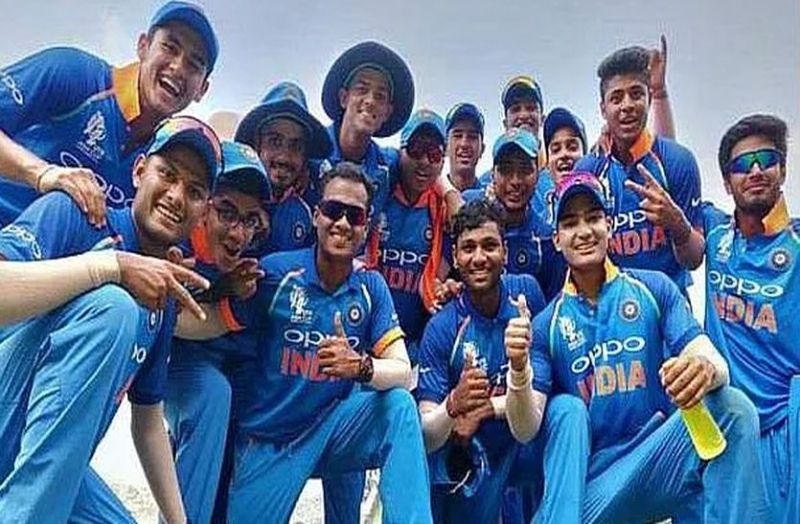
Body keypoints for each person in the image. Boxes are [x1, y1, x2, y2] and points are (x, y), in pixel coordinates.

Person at [178, 162, 433, 523]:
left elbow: (402, 371)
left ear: (366, 227)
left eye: (355, 216)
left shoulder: (371, 286)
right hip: (270, 440)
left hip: (333, 430)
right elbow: (212, 321)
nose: (342, 223)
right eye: (333, 210)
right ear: (316, 216)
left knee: (399, 406)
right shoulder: (275, 274)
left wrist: (360, 366)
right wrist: (163, 309)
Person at [0, 115, 221, 523]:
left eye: (194, 191)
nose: (176, 196)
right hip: (7, 413)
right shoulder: (77, 212)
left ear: (203, 213)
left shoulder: (163, 292)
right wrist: (110, 268)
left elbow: (148, 421)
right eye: (167, 174)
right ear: (139, 171)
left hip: (53, 465)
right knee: (114, 308)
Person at [532, 171, 770, 523]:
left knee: (732, 409)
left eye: (593, 218)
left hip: (656, 460)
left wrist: (705, 370)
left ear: (609, 225)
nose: (583, 231)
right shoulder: (545, 324)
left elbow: (707, 355)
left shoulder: (653, 287)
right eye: (569, 223)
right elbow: (526, 426)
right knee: (564, 408)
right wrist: (518, 371)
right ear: (556, 239)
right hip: (593, 489)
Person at [417, 198, 588, 523]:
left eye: (489, 246)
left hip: (524, 444)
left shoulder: (527, 294)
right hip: (476, 454)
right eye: (468, 248)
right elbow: (425, 433)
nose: (479, 257)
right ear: (455, 256)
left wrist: (488, 407)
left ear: (505, 253)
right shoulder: (442, 328)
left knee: (568, 410)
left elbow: (544, 390)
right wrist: (452, 406)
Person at [0, 0, 218, 226]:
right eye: (170, 47)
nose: (178, 67)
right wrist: (42, 174)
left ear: (202, 90)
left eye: (194, 64)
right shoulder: (74, 72)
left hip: (48, 249)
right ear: (143, 47)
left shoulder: (171, 154)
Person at [165, 140, 270, 524]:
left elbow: (216, 318)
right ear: (202, 204)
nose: (239, 233)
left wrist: (225, 290)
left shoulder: (250, 270)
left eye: (250, 220)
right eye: (226, 212)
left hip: (214, 365)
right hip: (163, 358)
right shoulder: (171, 233)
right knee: (211, 394)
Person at [702, 114, 799, 523]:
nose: (756, 170)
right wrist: (661, 95)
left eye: (767, 159)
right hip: (726, 425)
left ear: (783, 170)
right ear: (727, 182)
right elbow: (671, 191)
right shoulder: (714, 235)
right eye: (743, 164)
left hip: (785, 430)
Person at [575, 45, 703, 294]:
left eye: (636, 94)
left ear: (649, 98)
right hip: (612, 307)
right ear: (603, 108)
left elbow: (695, 259)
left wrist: (677, 224)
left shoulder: (678, 161)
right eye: (616, 98)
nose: (627, 105)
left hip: (669, 308)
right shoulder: (588, 170)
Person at [367, 109, 451, 366]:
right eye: (416, 150)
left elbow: (440, 281)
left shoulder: (443, 211)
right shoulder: (377, 193)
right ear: (400, 151)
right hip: (363, 334)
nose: (424, 161)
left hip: (413, 344)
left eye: (434, 154)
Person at [464, 130, 565, 300]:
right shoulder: (466, 213)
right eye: (506, 170)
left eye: (525, 170)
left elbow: (556, 305)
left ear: (538, 175)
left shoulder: (547, 239)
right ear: (492, 175)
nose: (515, 181)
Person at [236, 81, 332, 254]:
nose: (284, 157)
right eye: (274, 141)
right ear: (256, 144)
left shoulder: (312, 207)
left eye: (296, 146)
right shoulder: (228, 196)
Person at [444, 103, 486, 193]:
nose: (464, 144)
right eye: (458, 136)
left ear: (482, 149)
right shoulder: (430, 195)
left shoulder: (491, 197)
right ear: (445, 147)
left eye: (472, 137)